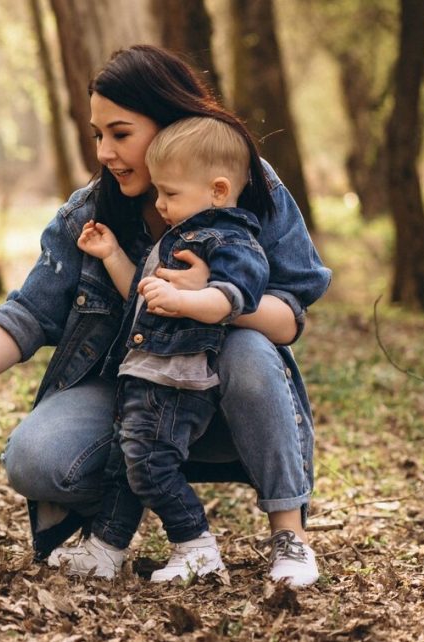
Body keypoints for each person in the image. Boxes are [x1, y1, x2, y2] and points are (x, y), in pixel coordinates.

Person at [0, 45, 331, 588]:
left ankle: (289, 536)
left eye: (120, 134)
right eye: (98, 134)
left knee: (247, 346)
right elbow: (28, 314)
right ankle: (121, 524)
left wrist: (207, 298)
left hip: (229, 403)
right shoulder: (91, 212)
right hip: (138, 391)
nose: (104, 151)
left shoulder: (243, 184)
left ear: (171, 123)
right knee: (35, 459)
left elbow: (289, 317)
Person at [63, 116, 271, 583]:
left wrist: (185, 300)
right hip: (144, 375)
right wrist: (113, 254)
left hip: (179, 380)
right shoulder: (176, 239)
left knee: (151, 466)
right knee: (124, 466)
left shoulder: (231, 240)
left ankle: (195, 545)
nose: (160, 204)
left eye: (170, 194)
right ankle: (106, 548)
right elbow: (139, 291)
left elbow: (233, 300)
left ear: (218, 190)